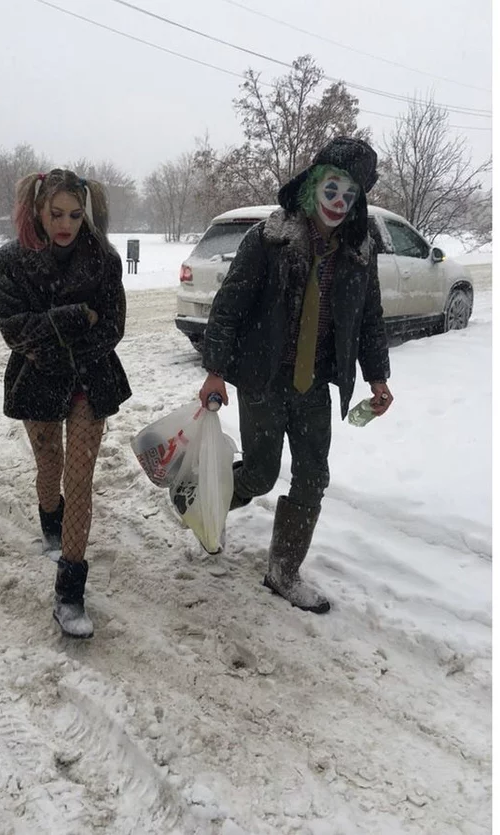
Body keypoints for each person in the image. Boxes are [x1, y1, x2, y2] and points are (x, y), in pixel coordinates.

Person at [198, 137, 393, 615]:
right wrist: (215, 371)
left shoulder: (359, 250)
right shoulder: (269, 237)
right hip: (263, 378)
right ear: (312, 185)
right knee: (262, 475)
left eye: (351, 195)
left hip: (314, 385)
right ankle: (207, 503)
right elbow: (230, 306)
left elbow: (370, 317)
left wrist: (378, 377)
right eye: (332, 189)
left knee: (312, 476)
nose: (339, 203)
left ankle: (283, 570)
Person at [0, 168, 131, 638]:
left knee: (81, 477)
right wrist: (70, 318)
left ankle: (69, 592)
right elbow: (16, 329)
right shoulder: (9, 262)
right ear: (37, 210)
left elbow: (112, 327)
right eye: (56, 214)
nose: (66, 223)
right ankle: (50, 520)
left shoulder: (104, 259)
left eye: (74, 213)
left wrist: (74, 346)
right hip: (37, 378)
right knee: (50, 465)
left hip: (91, 378)